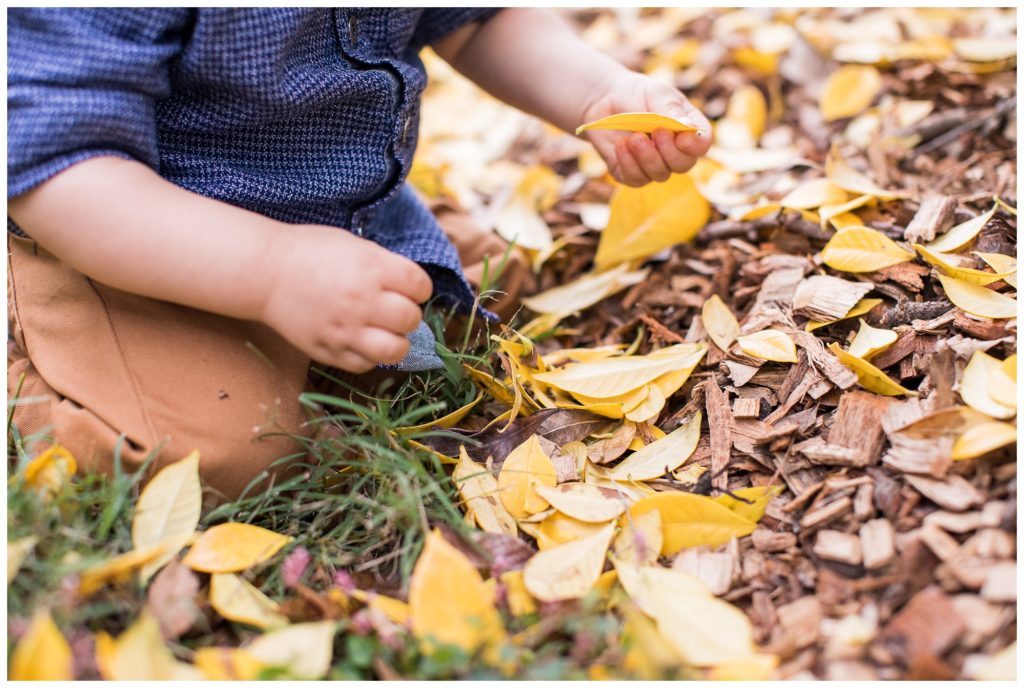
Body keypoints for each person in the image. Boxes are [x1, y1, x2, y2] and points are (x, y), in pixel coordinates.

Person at [7, 8, 711, 498]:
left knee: (457, 315)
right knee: (221, 456)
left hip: (329, 208)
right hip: (130, 239)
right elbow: (62, 162)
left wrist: (598, 93)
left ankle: (351, 275)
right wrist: (272, 272)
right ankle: (27, 358)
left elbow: (475, 21)